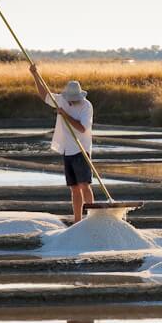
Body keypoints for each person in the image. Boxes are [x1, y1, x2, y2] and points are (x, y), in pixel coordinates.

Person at [30, 64, 94, 223]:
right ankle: (77, 220)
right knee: (74, 188)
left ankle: (92, 219)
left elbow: (82, 128)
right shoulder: (61, 100)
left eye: (74, 100)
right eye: (70, 100)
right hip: (68, 149)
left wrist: (65, 115)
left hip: (81, 149)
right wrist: (35, 75)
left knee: (84, 184)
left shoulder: (86, 106)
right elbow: (44, 95)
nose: (71, 102)